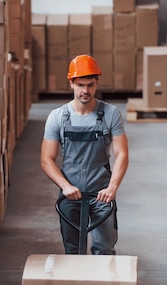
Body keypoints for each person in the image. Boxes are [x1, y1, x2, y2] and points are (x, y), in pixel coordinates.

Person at [40, 54, 129, 255]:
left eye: (90, 85)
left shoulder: (110, 114)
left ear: (97, 83)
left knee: (104, 249)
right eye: (81, 85)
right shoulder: (57, 117)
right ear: (71, 82)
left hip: (101, 194)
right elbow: (46, 159)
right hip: (70, 194)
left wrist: (112, 188)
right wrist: (65, 186)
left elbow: (122, 153)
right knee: (73, 250)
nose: (85, 91)